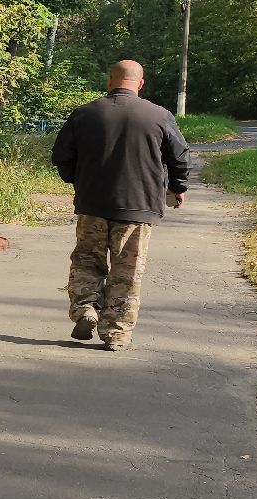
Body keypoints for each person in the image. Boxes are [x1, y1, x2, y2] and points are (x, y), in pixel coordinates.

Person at [48, 60, 195, 351]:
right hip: (138, 207)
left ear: (109, 81)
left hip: (92, 204)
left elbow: (61, 155)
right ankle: (116, 333)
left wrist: (78, 181)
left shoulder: (85, 114)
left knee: (86, 261)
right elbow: (180, 156)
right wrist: (177, 187)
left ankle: (86, 310)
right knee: (126, 272)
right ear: (140, 84)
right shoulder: (159, 116)